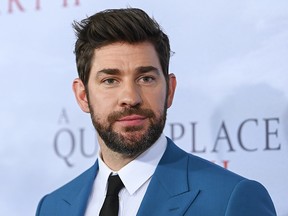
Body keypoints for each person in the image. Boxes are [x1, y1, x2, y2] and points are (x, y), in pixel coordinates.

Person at [36, 8, 276, 216]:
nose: (130, 97)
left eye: (146, 78)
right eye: (110, 80)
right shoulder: (52, 207)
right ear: (82, 95)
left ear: (169, 90)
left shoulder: (229, 199)